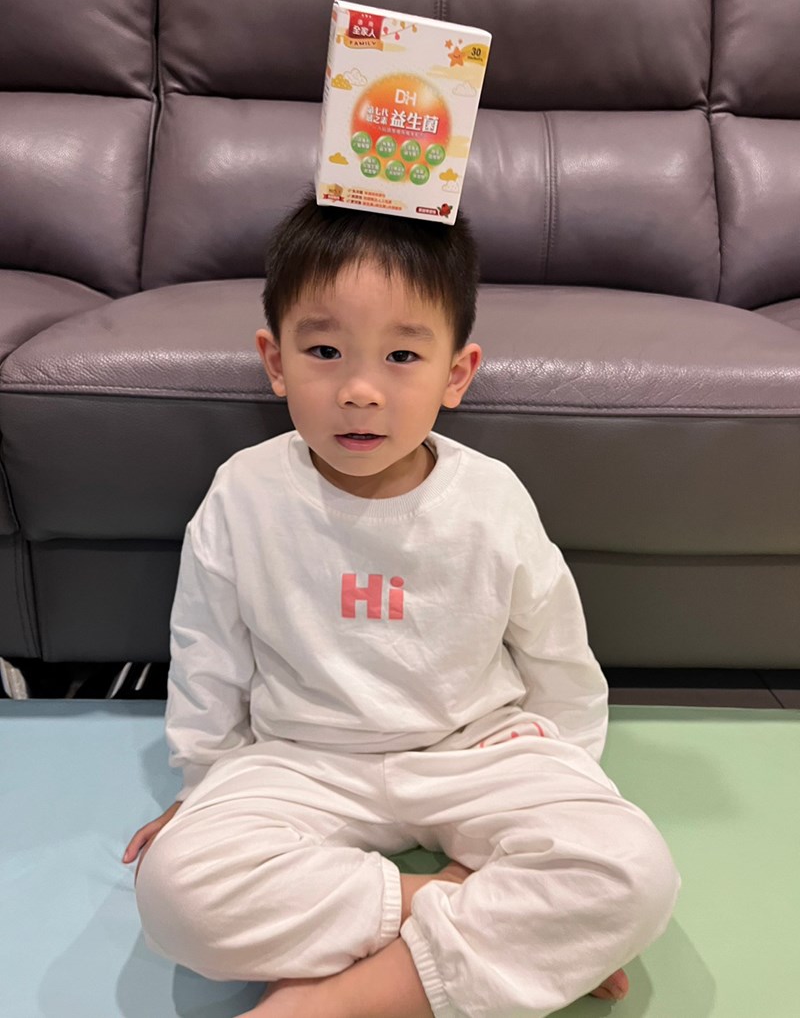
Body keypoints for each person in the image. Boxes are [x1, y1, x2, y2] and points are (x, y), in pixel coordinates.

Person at [123, 191, 680, 1018]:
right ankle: (481, 917)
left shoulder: (490, 496)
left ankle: (327, 1002)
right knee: (175, 893)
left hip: (475, 748)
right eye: (323, 350)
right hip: (303, 756)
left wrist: (572, 781)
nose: (359, 390)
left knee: (634, 869)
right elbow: (208, 654)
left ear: (457, 373)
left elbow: (558, 654)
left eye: (402, 356)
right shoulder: (244, 492)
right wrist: (203, 783)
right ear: (275, 361)